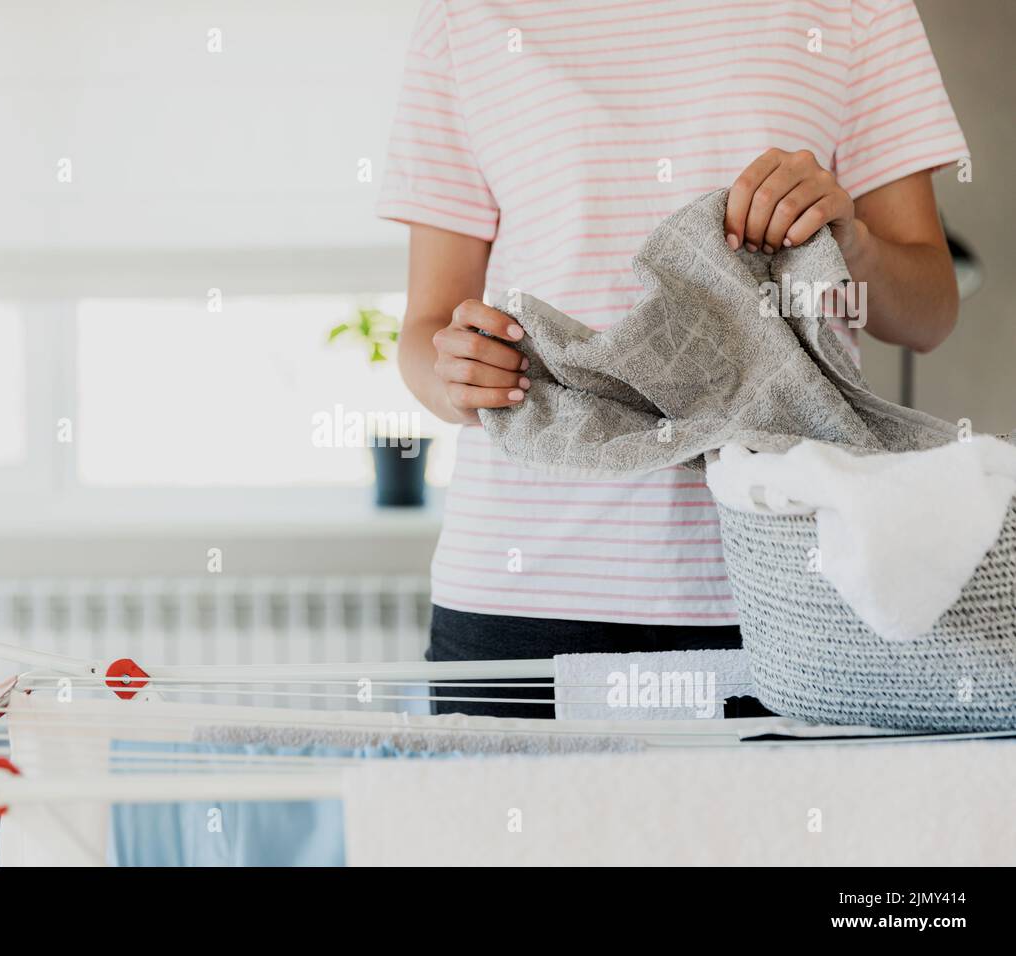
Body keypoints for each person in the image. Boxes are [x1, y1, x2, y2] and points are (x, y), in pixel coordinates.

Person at [377, 0, 967, 717]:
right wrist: (456, 377)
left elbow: (930, 310)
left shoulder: (858, 9)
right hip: (525, 587)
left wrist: (854, 246)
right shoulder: (462, 18)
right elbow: (427, 330)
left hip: (791, 579)